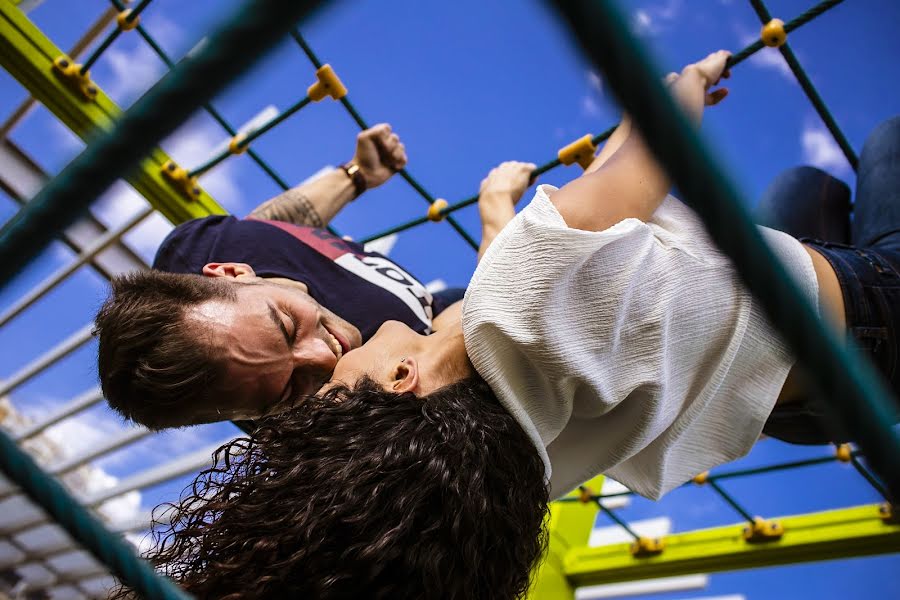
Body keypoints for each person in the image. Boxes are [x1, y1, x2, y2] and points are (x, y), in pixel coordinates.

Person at [116, 51, 899, 599]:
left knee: (803, 189)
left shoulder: (499, 467)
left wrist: (369, 182)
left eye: (291, 332)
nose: (332, 349)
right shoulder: (505, 296)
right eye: (312, 391)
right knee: (883, 145)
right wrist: (687, 81)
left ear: (230, 273)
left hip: (788, 400)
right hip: (863, 303)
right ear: (396, 382)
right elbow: (646, 153)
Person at [94, 124, 482, 429]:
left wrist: (356, 175)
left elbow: (265, 230)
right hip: (451, 318)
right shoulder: (341, 413)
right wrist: (497, 220)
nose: (324, 357)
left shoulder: (197, 251)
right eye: (291, 389)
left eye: (286, 326)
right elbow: (463, 341)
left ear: (231, 272)